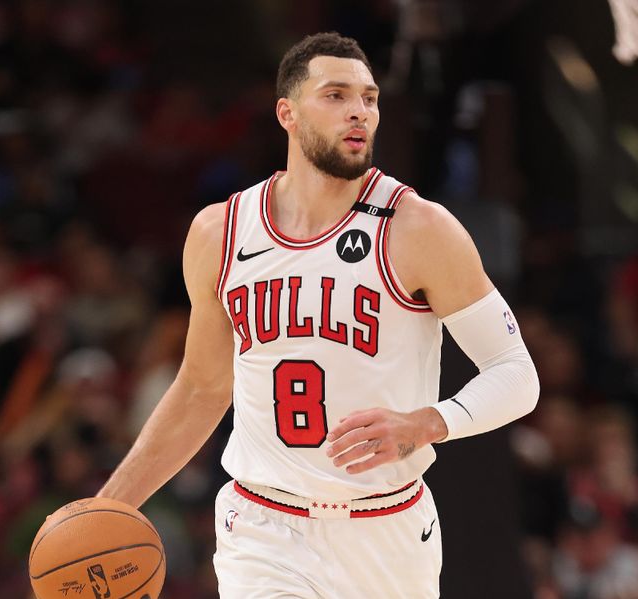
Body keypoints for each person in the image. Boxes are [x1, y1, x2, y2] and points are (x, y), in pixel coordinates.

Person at [97, 32, 539, 598]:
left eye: (370, 98)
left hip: (388, 532)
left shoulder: (419, 229)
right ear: (287, 112)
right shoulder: (221, 233)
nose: (359, 111)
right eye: (335, 95)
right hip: (265, 529)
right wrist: (107, 508)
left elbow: (515, 373)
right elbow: (203, 388)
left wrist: (427, 422)